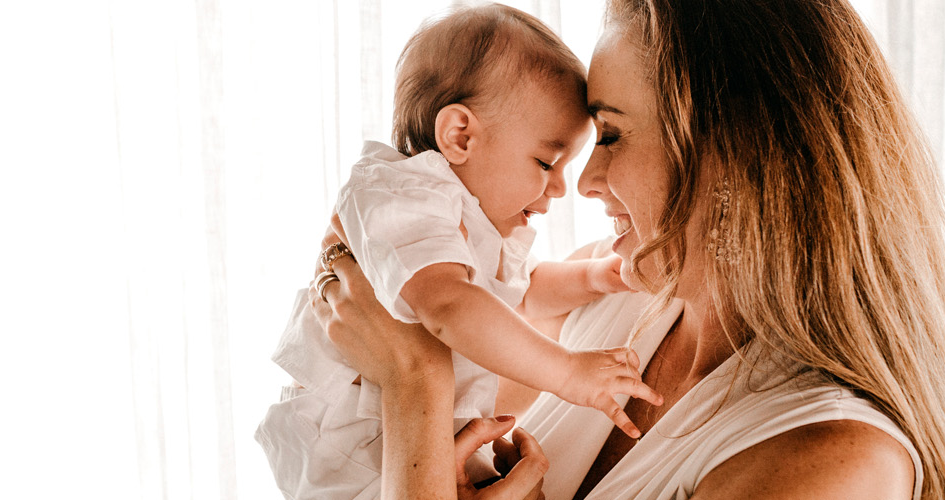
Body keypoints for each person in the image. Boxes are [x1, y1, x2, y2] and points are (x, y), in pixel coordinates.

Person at [314, 0, 945, 498]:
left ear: (734, 154)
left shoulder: (833, 462)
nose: (584, 181)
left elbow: (420, 381)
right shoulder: (602, 300)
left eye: (610, 136)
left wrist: (415, 378)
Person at [256, 4, 660, 499]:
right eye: (546, 162)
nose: (560, 188)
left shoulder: (465, 219)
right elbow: (451, 305)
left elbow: (522, 292)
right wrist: (567, 371)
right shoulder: (401, 194)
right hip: (350, 452)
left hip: (405, 442)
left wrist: (596, 276)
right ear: (460, 136)